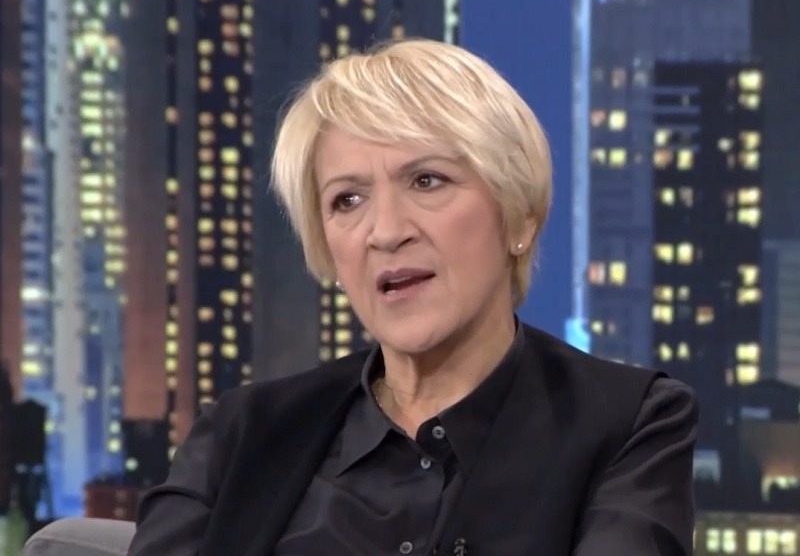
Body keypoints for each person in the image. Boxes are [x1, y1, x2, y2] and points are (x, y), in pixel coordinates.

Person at [128, 38, 698, 556]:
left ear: (519, 214)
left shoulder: (631, 423)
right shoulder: (241, 435)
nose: (385, 231)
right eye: (348, 200)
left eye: (426, 181)